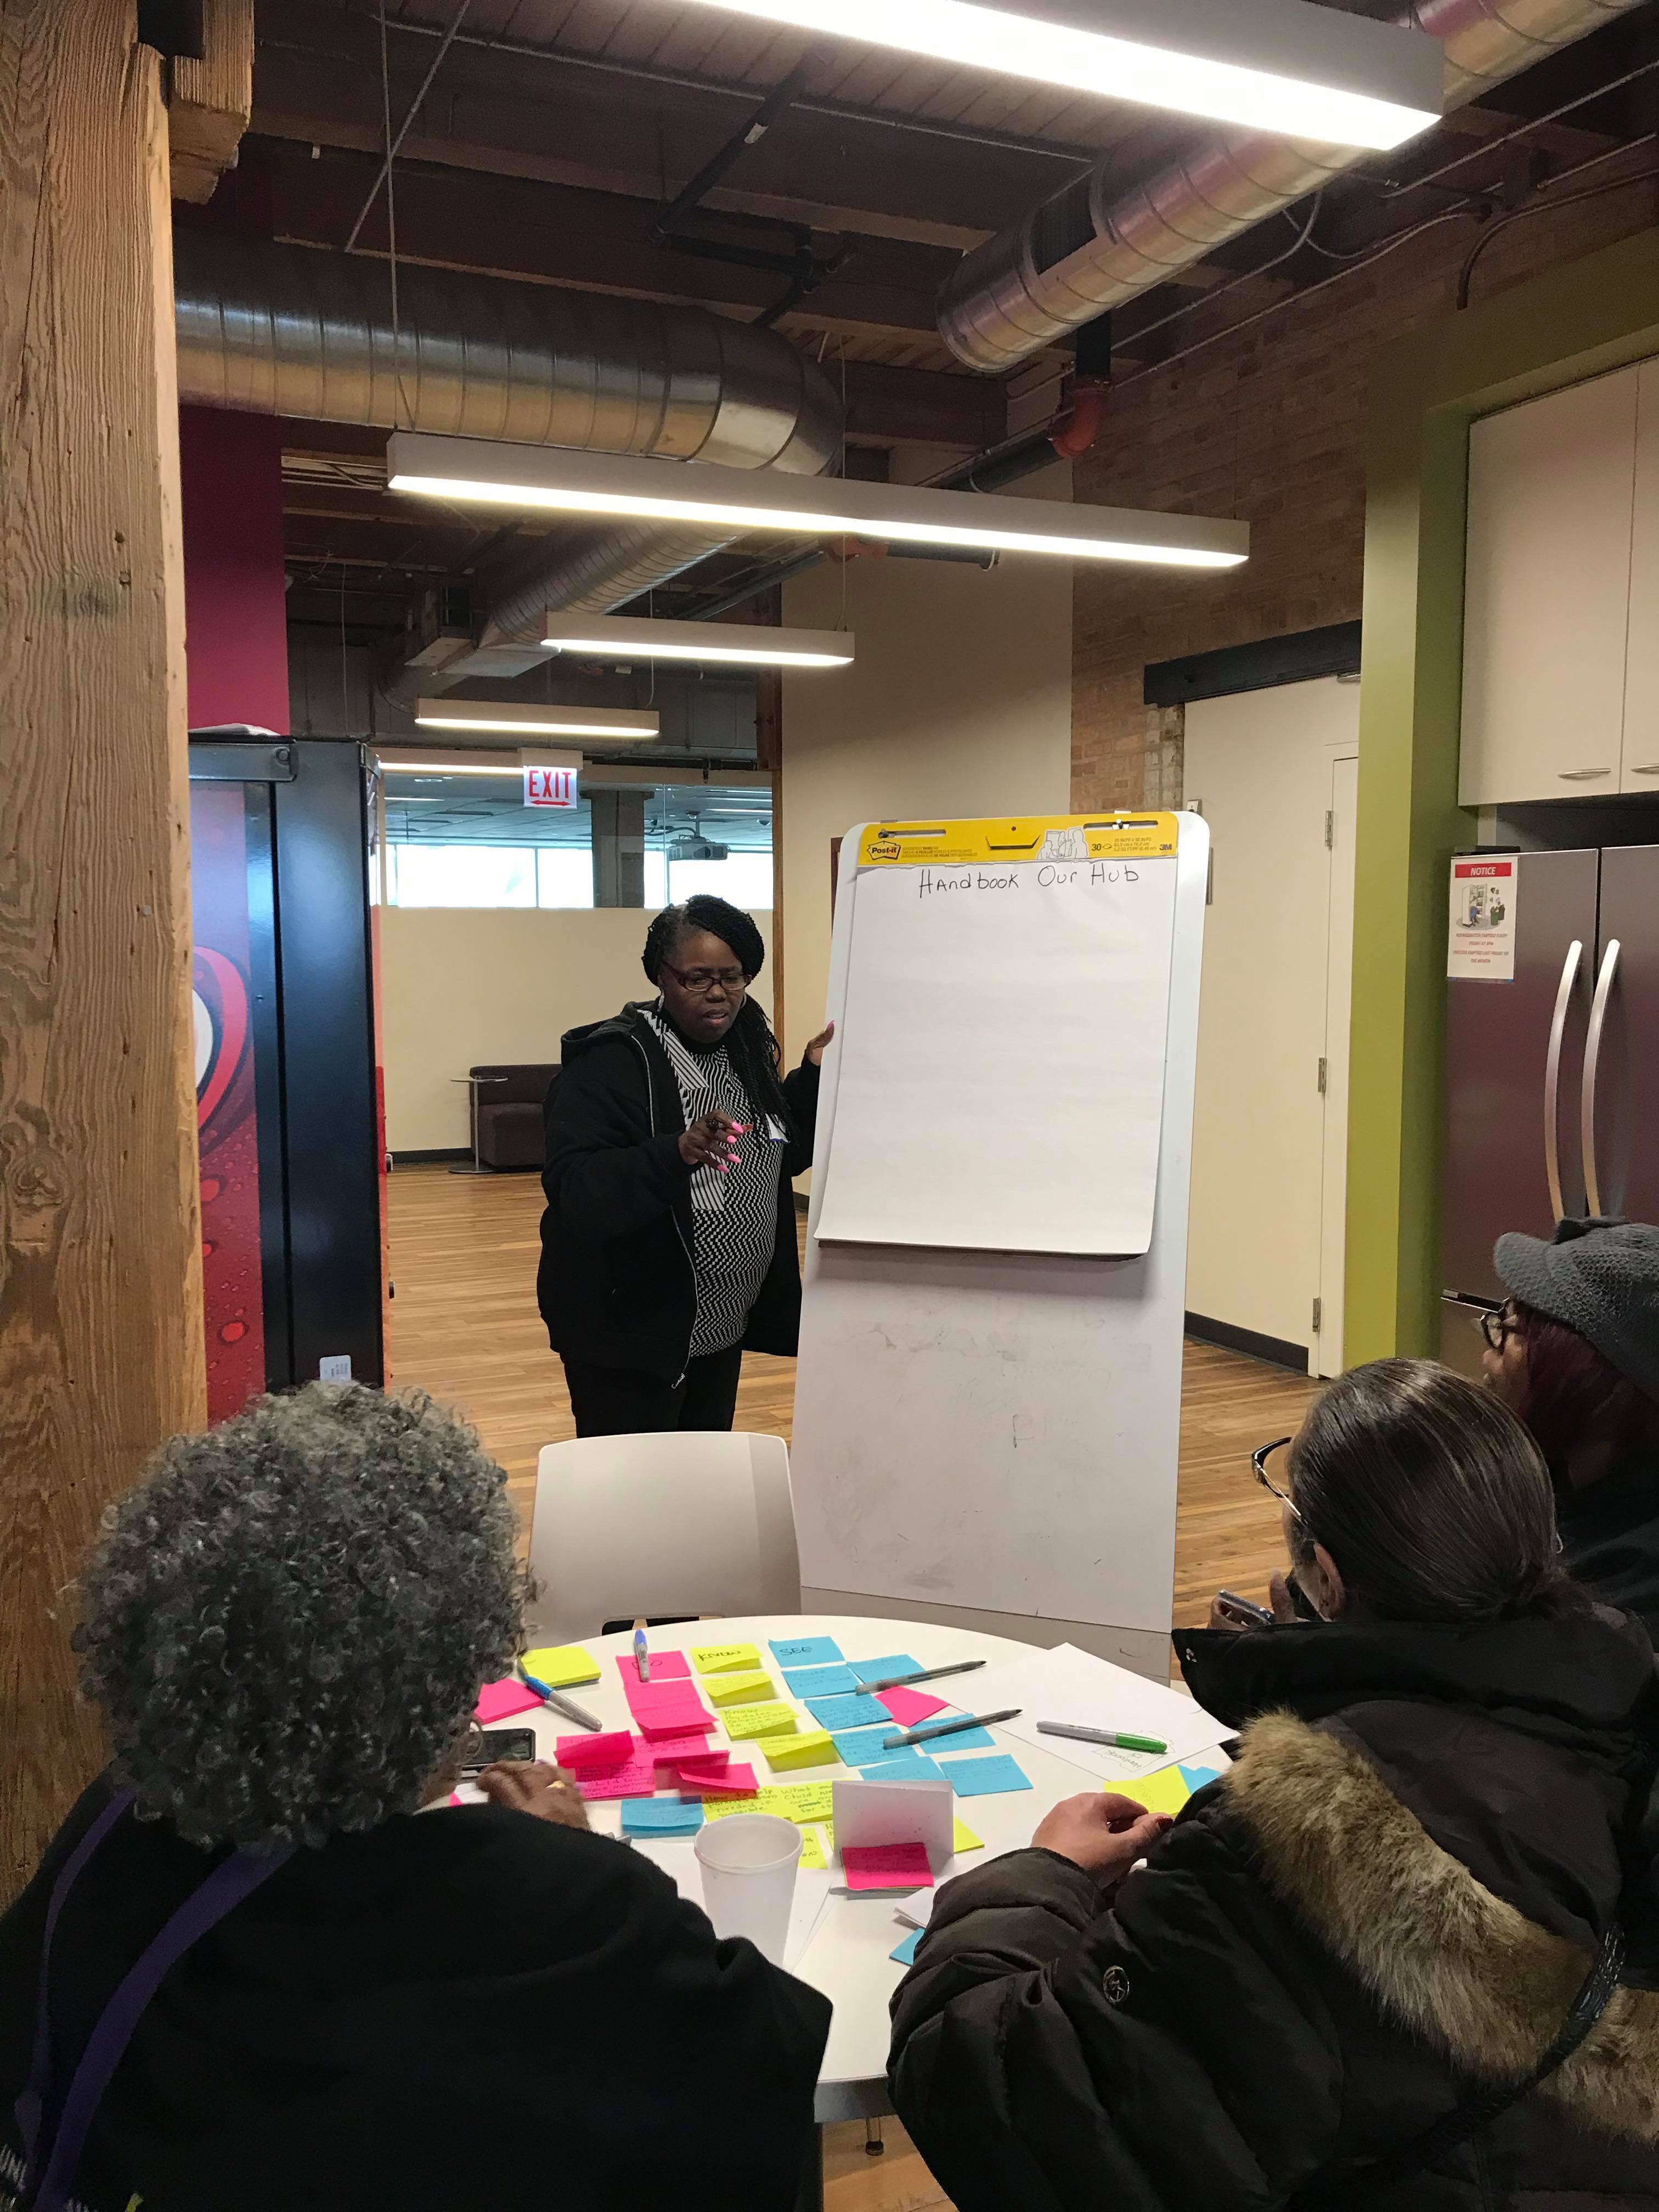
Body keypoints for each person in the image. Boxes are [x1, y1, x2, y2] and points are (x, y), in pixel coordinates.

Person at [0, 1385, 829, 2212]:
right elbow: (762, 2074)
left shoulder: (112, 1825)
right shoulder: (567, 1910)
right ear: (439, 1671)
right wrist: (574, 1858)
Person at [888, 1359, 1659, 2212]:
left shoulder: (1296, 1845)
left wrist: (1042, 1877)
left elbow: (993, 2093)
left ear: (1323, 1576)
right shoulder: (1624, 1706)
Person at [538, 894, 832, 1437]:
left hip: (720, 1324)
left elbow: (780, 1153)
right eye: (697, 978)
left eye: (733, 977)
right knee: (636, 1487)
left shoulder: (746, 1050)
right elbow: (577, 1190)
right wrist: (674, 1153)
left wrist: (812, 1075)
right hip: (632, 1336)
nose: (718, 993)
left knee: (701, 1474)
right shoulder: (611, 1063)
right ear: (662, 976)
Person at [1483, 1216, 1659, 1638]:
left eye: (1509, 1332)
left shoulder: (1631, 1587)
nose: (1486, 1360)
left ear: (1581, 1374)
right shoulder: (1563, 1473)